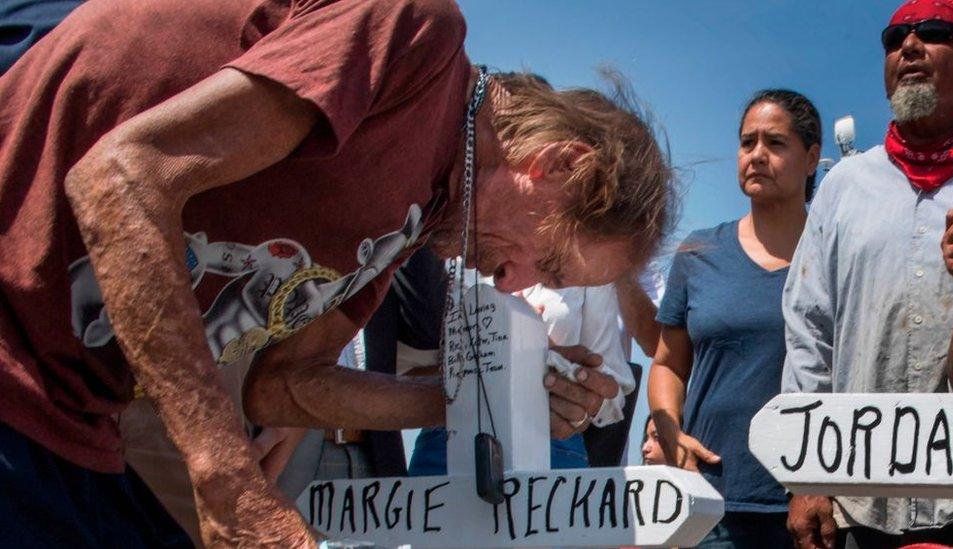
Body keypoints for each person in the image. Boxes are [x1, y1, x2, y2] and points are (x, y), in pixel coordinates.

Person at [0, 0, 675, 544]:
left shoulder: (425, 208)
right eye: (548, 261)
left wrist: (486, 396)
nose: (512, 282)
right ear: (557, 165)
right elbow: (119, 178)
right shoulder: (414, 36)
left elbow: (282, 385)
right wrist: (226, 473)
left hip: (70, 418)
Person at [783, 1, 953, 547]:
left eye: (936, 32)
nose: (909, 47)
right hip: (860, 500)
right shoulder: (844, 186)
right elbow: (808, 333)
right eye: (895, 39)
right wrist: (809, 477)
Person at [651, 89, 822, 548]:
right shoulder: (698, 253)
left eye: (775, 143)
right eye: (748, 143)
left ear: (812, 158)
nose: (758, 155)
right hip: (710, 506)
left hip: (812, 508)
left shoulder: (835, 257)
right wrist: (668, 428)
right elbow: (668, 363)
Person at [408, 282, 636, 474]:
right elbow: (404, 366)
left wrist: (567, 380)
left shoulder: (590, 265)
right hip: (445, 443)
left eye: (557, 275)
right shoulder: (451, 245)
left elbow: (612, 396)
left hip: (553, 449)